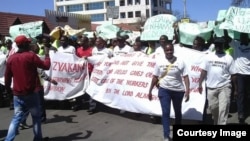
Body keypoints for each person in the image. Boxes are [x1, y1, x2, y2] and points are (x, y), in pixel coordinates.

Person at [4, 35, 51, 141]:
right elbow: (46, 66)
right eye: (28, 43)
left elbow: (7, 77)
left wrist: (8, 90)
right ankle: (38, 139)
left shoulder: (11, 58)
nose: (30, 44)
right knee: (36, 117)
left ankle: (8, 139)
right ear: (25, 44)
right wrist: (47, 55)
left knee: (16, 118)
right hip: (31, 93)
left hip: (17, 94)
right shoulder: (31, 56)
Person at [148, 43, 190, 141]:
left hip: (178, 91)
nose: (169, 52)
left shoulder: (180, 62)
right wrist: (150, 90)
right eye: (167, 50)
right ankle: (166, 136)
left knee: (177, 113)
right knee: (165, 113)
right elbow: (155, 77)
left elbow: (186, 77)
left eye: (171, 50)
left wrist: (187, 90)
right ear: (164, 51)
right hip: (164, 90)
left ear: (173, 50)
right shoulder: (159, 61)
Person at [198, 37, 237, 125]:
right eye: (217, 45)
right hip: (211, 87)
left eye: (220, 45)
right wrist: (200, 83)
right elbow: (204, 71)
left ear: (223, 46)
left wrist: (236, 89)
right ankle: (216, 122)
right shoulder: (208, 57)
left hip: (225, 86)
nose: (218, 47)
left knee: (223, 109)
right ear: (215, 46)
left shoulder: (229, 58)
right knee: (213, 108)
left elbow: (233, 74)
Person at [225, 32, 250, 124]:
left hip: (249, 74)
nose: (243, 38)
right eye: (242, 37)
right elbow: (227, 38)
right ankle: (241, 114)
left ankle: (246, 109)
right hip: (240, 74)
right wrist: (225, 27)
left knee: (247, 94)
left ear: (248, 38)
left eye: (245, 37)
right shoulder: (236, 44)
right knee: (240, 94)